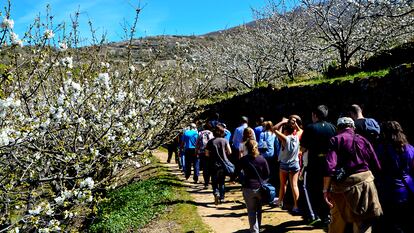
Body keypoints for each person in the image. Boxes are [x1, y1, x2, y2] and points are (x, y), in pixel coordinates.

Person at [323, 117, 382, 233]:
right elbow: (377, 165)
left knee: (337, 222)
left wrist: (325, 190)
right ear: (353, 127)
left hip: (342, 187)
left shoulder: (335, 140)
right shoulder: (364, 140)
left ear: (338, 128)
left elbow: (330, 167)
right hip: (365, 184)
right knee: (363, 222)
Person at [300, 105, 337, 226]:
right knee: (326, 190)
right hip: (329, 163)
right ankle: (326, 216)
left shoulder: (310, 128)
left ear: (315, 115)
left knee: (309, 189)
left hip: (313, 163)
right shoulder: (332, 127)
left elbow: (303, 147)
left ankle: (313, 215)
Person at [375, 121, 414, 233]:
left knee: (389, 224)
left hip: (388, 190)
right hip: (408, 189)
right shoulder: (410, 148)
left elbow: (377, 168)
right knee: (406, 222)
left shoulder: (380, 149)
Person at [239, 139, 270, 233]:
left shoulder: (243, 160)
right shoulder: (262, 159)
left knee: (251, 210)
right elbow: (267, 174)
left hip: (248, 187)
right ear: (257, 147)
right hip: (260, 187)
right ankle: (258, 227)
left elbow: (237, 172)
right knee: (259, 209)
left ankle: (254, 230)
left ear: (246, 148)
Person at [274, 118, 302, 214]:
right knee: (294, 185)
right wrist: (294, 124)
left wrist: (283, 121)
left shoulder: (285, 138)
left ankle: (280, 201)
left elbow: (274, 129)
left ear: (285, 131)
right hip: (295, 164)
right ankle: (296, 206)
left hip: (284, 164)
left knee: (283, 184)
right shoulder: (297, 137)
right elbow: (300, 130)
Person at [205, 124, 232, 205]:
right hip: (223, 164)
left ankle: (216, 193)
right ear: (222, 132)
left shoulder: (210, 142)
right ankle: (222, 198)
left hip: (213, 164)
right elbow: (230, 151)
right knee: (222, 181)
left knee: (214, 181)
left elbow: (206, 154)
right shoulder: (224, 141)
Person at [231, 116, 251, 182]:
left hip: (239, 149)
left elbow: (234, 140)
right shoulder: (250, 129)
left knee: (239, 165)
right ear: (247, 121)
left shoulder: (237, 129)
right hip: (249, 149)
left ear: (240, 122)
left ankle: (240, 178)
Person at [258, 121, 278, 189]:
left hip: (264, 155)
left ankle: (265, 186)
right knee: (272, 171)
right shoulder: (274, 134)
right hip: (273, 155)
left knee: (265, 171)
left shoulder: (262, 134)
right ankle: (272, 187)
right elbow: (277, 145)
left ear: (265, 127)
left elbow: (260, 145)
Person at [196, 122, 215, 189]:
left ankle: (206, 182)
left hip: (202, 152)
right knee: (211, 167)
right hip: (210, 153)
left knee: (205, 167)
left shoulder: (200, 133)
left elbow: (197, 143)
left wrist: (196, 152)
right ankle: (211, 181)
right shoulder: (212, 133)